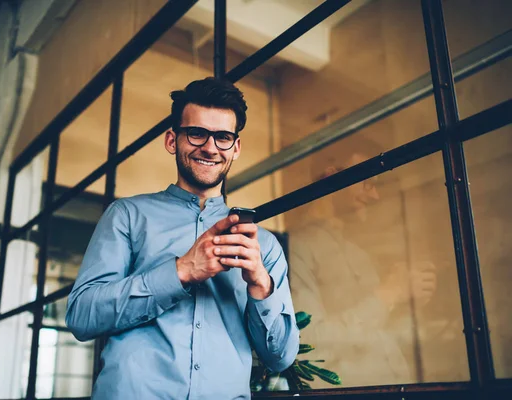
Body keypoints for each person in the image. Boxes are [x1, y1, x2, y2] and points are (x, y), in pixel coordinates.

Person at [66, 77, 299, 399]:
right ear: (172, 140)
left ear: (236, 148)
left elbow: (280, 358)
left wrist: (261, 285)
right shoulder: (126, 216)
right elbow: (82, 316)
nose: (210, 147)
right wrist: (181, 271)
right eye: (197, 133)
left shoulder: (264, 245)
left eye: (223, 137)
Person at [289, 144, 437, 387]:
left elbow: (382, 333)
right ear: (332, 177)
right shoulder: (296, 248)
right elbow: (308, 347)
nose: (375, 195)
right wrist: (388, 294)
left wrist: (408, 300)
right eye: (367, 183)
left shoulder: (359, 255)